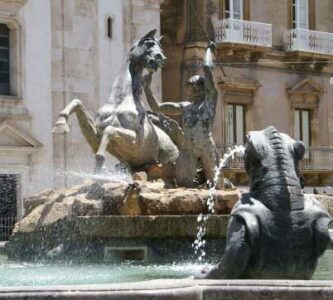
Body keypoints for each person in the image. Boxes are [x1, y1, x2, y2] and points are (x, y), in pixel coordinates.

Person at [142, 42, 221, 188]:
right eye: (191, 89)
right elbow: (157, 107)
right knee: (184, 185)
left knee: (216, 185)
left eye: (195, 88)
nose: (192, 91)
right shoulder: (185, 107)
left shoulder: (209, 103)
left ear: (202, 90)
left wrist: (209, 50)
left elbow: (207, 68)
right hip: (188, 149)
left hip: (206, 147)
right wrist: (147, 90)